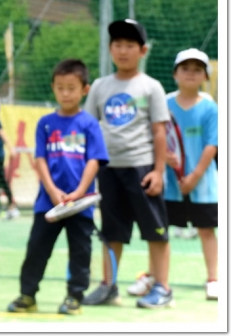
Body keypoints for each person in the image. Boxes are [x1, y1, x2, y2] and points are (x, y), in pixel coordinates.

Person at [82, 19, 173, 309]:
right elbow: (89, 127)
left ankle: (162, 287)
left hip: (143, 169)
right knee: (111, 232)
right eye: (117, 44)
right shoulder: (99, 86)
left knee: (155, 231)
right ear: (110, 49)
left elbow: (160, 133)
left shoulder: (151, 87)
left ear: (142, 50)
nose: (123, 51)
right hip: (109, 170)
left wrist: (158, 172)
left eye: (130, 45)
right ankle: (109, 286)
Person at [7, 59, 108, 315]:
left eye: (71, 88)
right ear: (53, 87)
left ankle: (75, 297)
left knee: (80, 252)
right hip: (47, 204)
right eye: (60, 87)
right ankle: (27, 295)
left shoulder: (89, 124)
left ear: (84, 90)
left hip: (79, 206)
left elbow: (94, 161)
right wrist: (52, 191)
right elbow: (40, 160)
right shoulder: (45, 123)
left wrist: (79, 192)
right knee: (37, 249)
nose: (65, 93)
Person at [164, 48, 218, 300]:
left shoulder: (210, 107)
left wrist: (195, 175)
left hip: (203, 183)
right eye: (185, 69)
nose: (191, 74)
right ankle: (156, 279)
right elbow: (156, 137)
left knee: (206, 230)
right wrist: (164, 155)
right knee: (159, 230)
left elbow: (212, 144)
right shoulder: (163, 103)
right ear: (175, 74)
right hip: (169, 183)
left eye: (197, 70)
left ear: (205, 77)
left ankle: (214, 279)